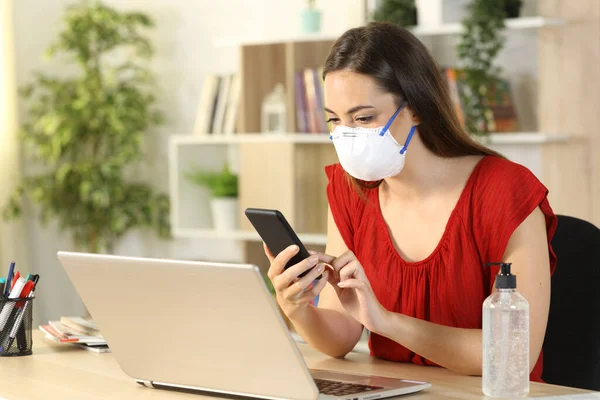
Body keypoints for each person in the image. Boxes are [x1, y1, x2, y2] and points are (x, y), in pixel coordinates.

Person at [264, 22, 556, 382]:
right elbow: (340, 335)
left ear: (415, 107)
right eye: (335, 121)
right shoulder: (348, 190)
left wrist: (387, 323)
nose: (348, 135)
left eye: (364, 117)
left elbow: (514, 355)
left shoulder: (505, 191)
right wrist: (297, 308)